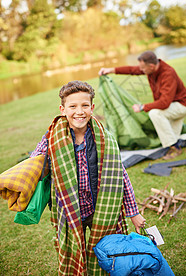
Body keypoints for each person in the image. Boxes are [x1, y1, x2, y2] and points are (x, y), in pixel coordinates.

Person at [31, 80, 145, 276]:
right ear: (62, 109)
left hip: (101, 209)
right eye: (73, 106)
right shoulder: (52, 138)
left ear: (92, 107)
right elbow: (35, 164)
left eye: (85, 105)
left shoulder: (105, 138)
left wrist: (133, 212)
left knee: (109, 251)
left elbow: (120, 175)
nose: (79, 111)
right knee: (73, 251)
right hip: (68, 210)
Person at [99, 51, 186, 160]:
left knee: (155, 113)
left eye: (143, 68)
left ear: (151, 66)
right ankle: (174, 143)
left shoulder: (167, 74)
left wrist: (142, 107)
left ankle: (175, 148)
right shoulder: (151, 69)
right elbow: (133, 70)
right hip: (173, 105)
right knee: (172, 135)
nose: (141, 70)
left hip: (182, 105)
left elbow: (164, 103)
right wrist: (111, 70)